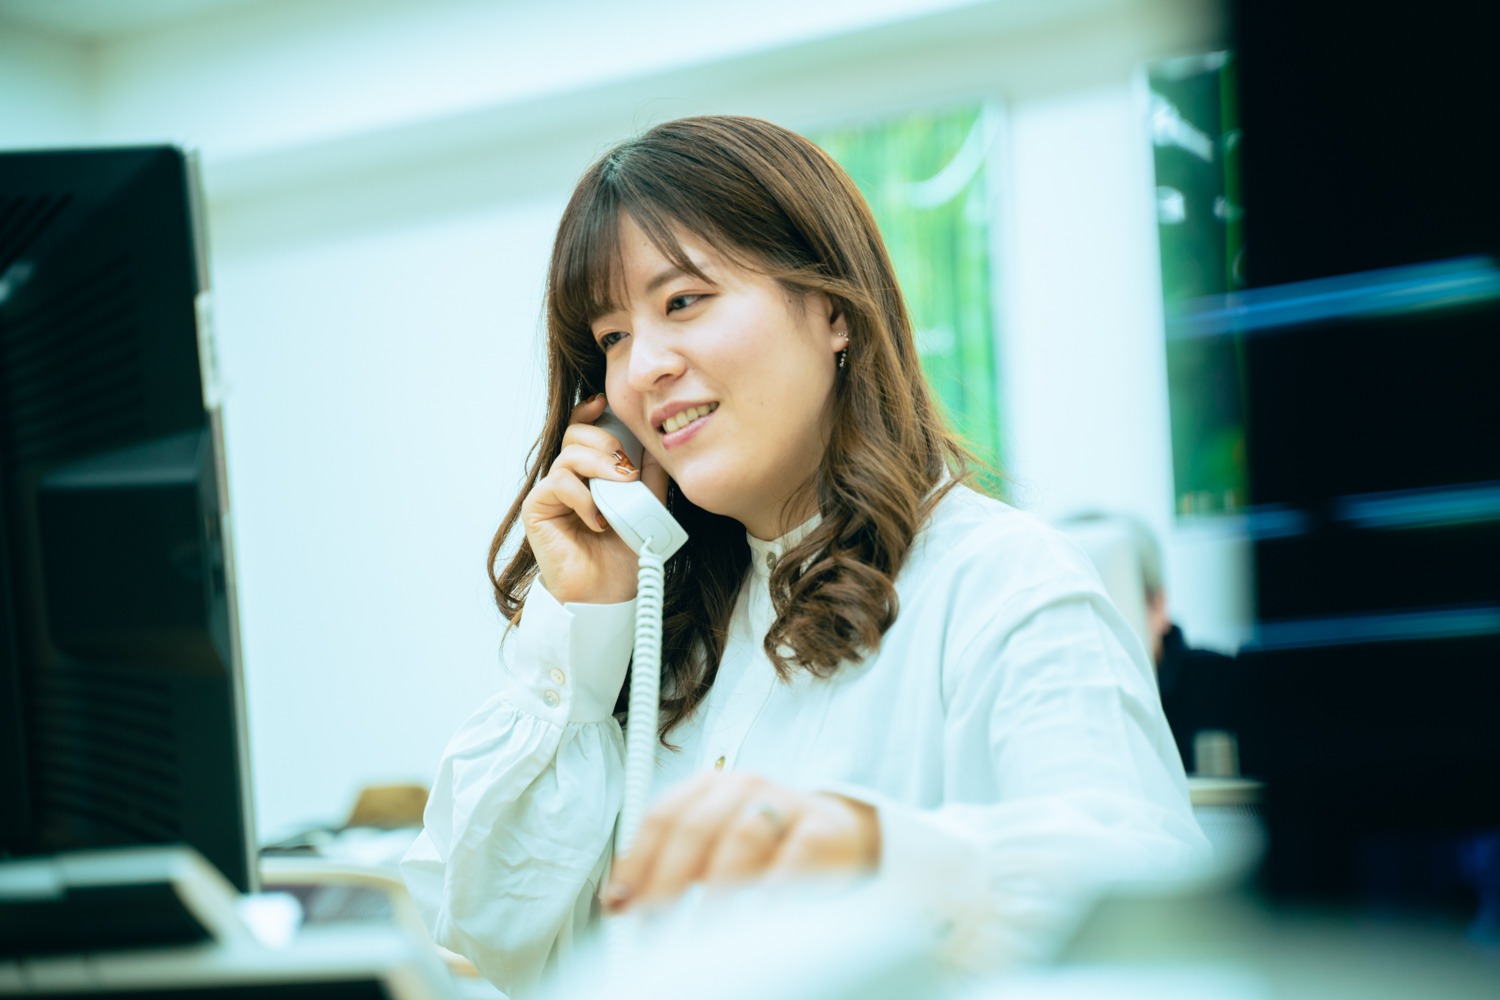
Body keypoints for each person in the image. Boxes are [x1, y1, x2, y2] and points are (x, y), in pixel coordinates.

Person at [401, 115, 1209, 995]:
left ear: (833, 310)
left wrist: (867, 845)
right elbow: (492, 936)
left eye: (683, 301)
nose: (642, 369)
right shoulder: (667, 629)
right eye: (612, 337)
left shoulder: (1001, 581)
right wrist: (586, 633)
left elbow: (1147, 917)